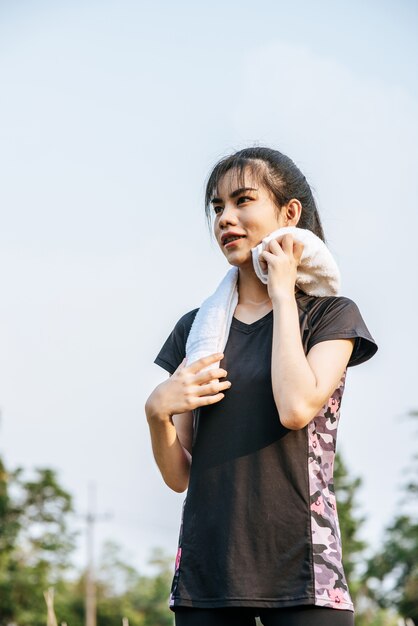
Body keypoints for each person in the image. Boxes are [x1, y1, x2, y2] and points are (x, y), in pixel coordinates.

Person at [145, 147, 378, 626]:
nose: (225, 218)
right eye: (217, 208)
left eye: (243, 201)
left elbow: (296, 408)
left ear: (289, 213)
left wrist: (281, 292)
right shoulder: (198, 330)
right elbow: (179, 475)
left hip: (304, 570)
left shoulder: (332, 316)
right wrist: (156, 413)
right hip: (208, 574)